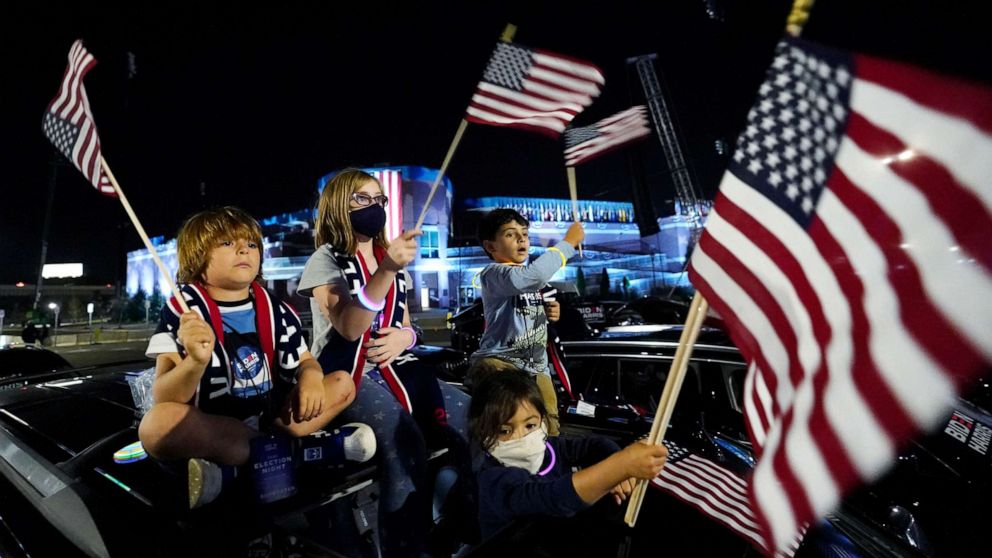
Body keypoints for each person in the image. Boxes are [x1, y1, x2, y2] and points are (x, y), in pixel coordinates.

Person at [138, 206, 374, 509]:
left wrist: (311, 376)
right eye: (226, 243)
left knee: (342, 383)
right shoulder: (183, 312)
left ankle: (234, 468)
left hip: (271, 419)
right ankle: (305, 451)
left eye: (251, 244)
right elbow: (165, 395)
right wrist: (194, 362)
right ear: (197, 256)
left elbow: (304, 360)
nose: (243, 250)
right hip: (215, 425)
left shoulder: (276, 309)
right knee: (156, 425)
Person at [297, 168, 475, 556]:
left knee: (473, 417)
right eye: (362, 198)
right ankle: (405, 549)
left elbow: (408, 327)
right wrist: (387, 270)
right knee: (403, 442)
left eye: (379, 199)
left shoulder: (387, 258)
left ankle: (464, 524)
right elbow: (348, 326)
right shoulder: (325, 260)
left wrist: (405, 337)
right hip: (347, 375)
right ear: (336, 206)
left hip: (401, 367)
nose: (374, 206)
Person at [469, 369, 669, 539]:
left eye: (530, 425)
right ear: (483, 432)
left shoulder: (550, 449)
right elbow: (553, 498)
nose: (522, 437)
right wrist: (621, 466)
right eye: (505, 431)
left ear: (543, 421)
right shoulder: (491, 480)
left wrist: (616, 465)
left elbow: (594, 444)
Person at [470, 208, 583, 434]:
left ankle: (548, 466)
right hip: (501, 362)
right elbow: (534, 276)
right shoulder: (494, 273)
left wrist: (550, 312)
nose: (522, 239)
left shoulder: (528, 279)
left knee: (549, 427)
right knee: (511, 427)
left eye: (525, 233)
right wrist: (568, 243)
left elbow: (529, 302)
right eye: (510, 234)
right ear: (491, 246)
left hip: (537, 367)